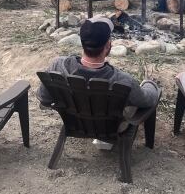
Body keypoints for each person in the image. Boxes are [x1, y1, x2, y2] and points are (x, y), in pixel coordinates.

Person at [37, 16, 161, 148]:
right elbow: (148, 100)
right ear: (108, 45)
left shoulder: (58, 65)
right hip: (111, 128)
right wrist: (150, 84)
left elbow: (44, 99)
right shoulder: (123, 81)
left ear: (82, 41)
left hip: (75, 123)